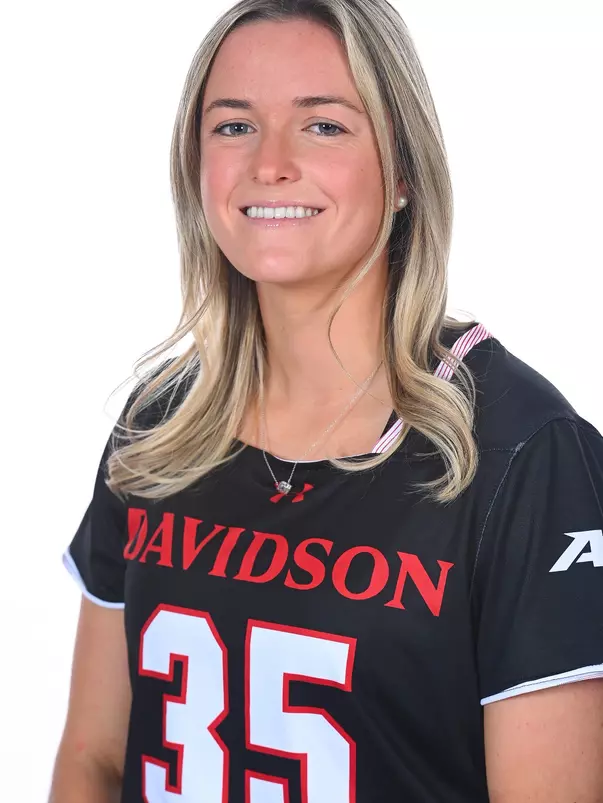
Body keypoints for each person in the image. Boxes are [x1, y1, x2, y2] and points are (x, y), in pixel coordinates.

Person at [49, 1, 603, 801]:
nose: (268, 163)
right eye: (233, 126)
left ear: (404, 168)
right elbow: (95, 758)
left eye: (323, 126)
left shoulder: (525, 456)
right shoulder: (157, 427)